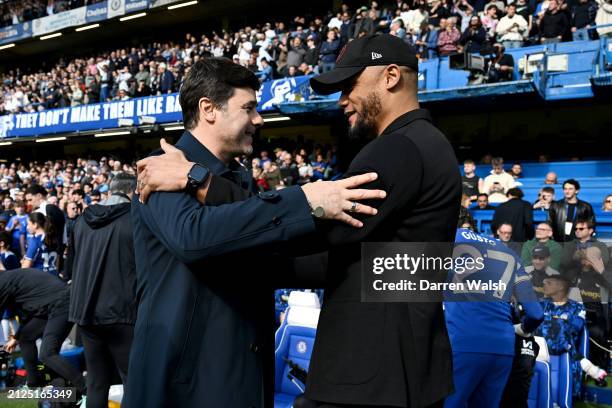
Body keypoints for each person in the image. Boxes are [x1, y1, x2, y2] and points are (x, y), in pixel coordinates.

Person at [139, 35, 462, 407]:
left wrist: (203, 182)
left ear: (390, 77)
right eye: (250, 108)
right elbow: (340, 257)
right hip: (397, 370)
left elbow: (310, 232)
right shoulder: (429, 144)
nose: (342, 100)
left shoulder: (398, 148)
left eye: (349, 85)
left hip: (371, 372)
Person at [124, 57, 386, 408]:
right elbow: (194, 239)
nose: (258, 120)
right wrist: (305, 199)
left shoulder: (235, 178)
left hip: (239, 375)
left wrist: (372, 266)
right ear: (209, 109)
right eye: (248, 108)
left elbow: (272, 259)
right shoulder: (162, 166)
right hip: (183, 383)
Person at [444, 228, 543, 408]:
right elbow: (536, 313)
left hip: (463, 341)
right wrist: (522, 328)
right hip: (502, 347)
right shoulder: (509, 252)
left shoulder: (448, 236)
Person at [66, 173, 137, 408]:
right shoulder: (134, 218)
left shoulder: (81, 221)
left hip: (86, 311)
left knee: (97, 382)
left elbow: (72, 266)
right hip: (121, 311)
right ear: (131, 191)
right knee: (133, 381)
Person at [0, 267, 86, 398]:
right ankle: (33, 385)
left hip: (62, 304)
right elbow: (27, 315)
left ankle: (86, 389)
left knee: (47, 354)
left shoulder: (3, 282)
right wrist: (16, 337)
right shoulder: (10, 278)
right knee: (25, 337)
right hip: (50, 306)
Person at [21, 212, 60, 276]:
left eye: (28, 224)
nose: (27, 227)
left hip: (40, 278)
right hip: (54, 275)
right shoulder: (53, 237)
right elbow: (57, 260)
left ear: (35, 225)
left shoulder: (35, 240)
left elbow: (25, 267)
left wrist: (23, 262)